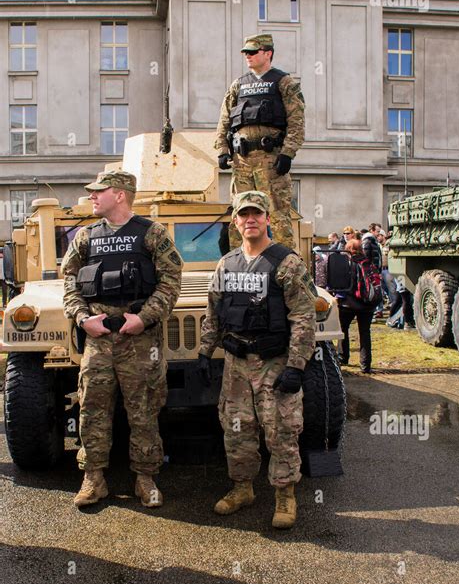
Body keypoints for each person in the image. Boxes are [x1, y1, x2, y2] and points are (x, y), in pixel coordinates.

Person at [61, 171, 183, 509]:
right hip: (98, 341)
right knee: (92, 409)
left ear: (119, 194)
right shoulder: (86, 237)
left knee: (144, 411)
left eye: (99, 192)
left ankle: (146, 478)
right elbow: (68, 280)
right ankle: (93, 478)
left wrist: (144, 318)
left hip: (140, 341)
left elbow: (172, 280)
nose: (92, 197)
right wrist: (83, 318)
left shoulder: (152, 234)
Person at [197, 191, 317, 529]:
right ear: (235, 222)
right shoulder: (227, 264)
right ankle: (242, 488)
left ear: (266, 219)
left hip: (273, 361)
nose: (250, 220)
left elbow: (303, 317)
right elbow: (214, 313)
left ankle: (284, 496)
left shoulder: (287, 262)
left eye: (256, 214)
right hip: (236, 364)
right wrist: (205, 352)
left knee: (280, 430)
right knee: (237, 429)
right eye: (243, 214)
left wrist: (296, 365)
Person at [215, 33, 305, 250]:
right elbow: (224, 119)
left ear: (268, 53)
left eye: (253, 52)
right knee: (241, 213)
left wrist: (287, 153)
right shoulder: (238, 85)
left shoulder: (284, 82)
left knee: (277, 214)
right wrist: (222, 149)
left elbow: (297, 121)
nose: (248, 56)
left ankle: (286, 263)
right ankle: (240, 262)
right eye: (246, 52)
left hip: (271, 160)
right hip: (242, 161)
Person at [336, 238, 375, 373]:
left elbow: (341, 284)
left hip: (349, 303)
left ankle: (343, 356)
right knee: (365, 333)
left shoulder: (347, 264)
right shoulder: (368, 263)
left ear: (348, 249)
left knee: (343, 329)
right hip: (367, 304)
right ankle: (365, 364)